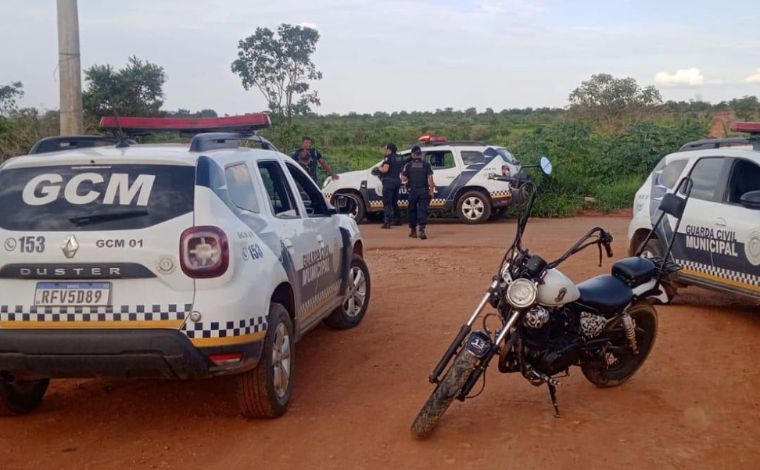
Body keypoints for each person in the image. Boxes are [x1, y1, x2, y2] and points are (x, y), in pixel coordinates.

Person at [401, 145, 435, 240]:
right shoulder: (426, 164)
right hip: (423, 190)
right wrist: (431, 191)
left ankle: (413, 231)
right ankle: (422, 230)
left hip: (412, 191)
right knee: (423, 210)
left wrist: (406, 177)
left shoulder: (408, 165)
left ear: (412, 154)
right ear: (420, 154)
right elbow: (430, 178)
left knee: (412, 210)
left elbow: (403, 178)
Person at [378, 143, 404, 229]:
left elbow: (385, 170)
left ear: (389, 150)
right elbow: (401, 169)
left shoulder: (388, 159)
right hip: (397, 181)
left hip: (388, 183)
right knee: (394, 202)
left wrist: (379, 168)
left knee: (387, 202)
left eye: (386, 149)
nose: (385, 151)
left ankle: (387, 222)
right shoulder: (398, 158)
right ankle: (398, 220)